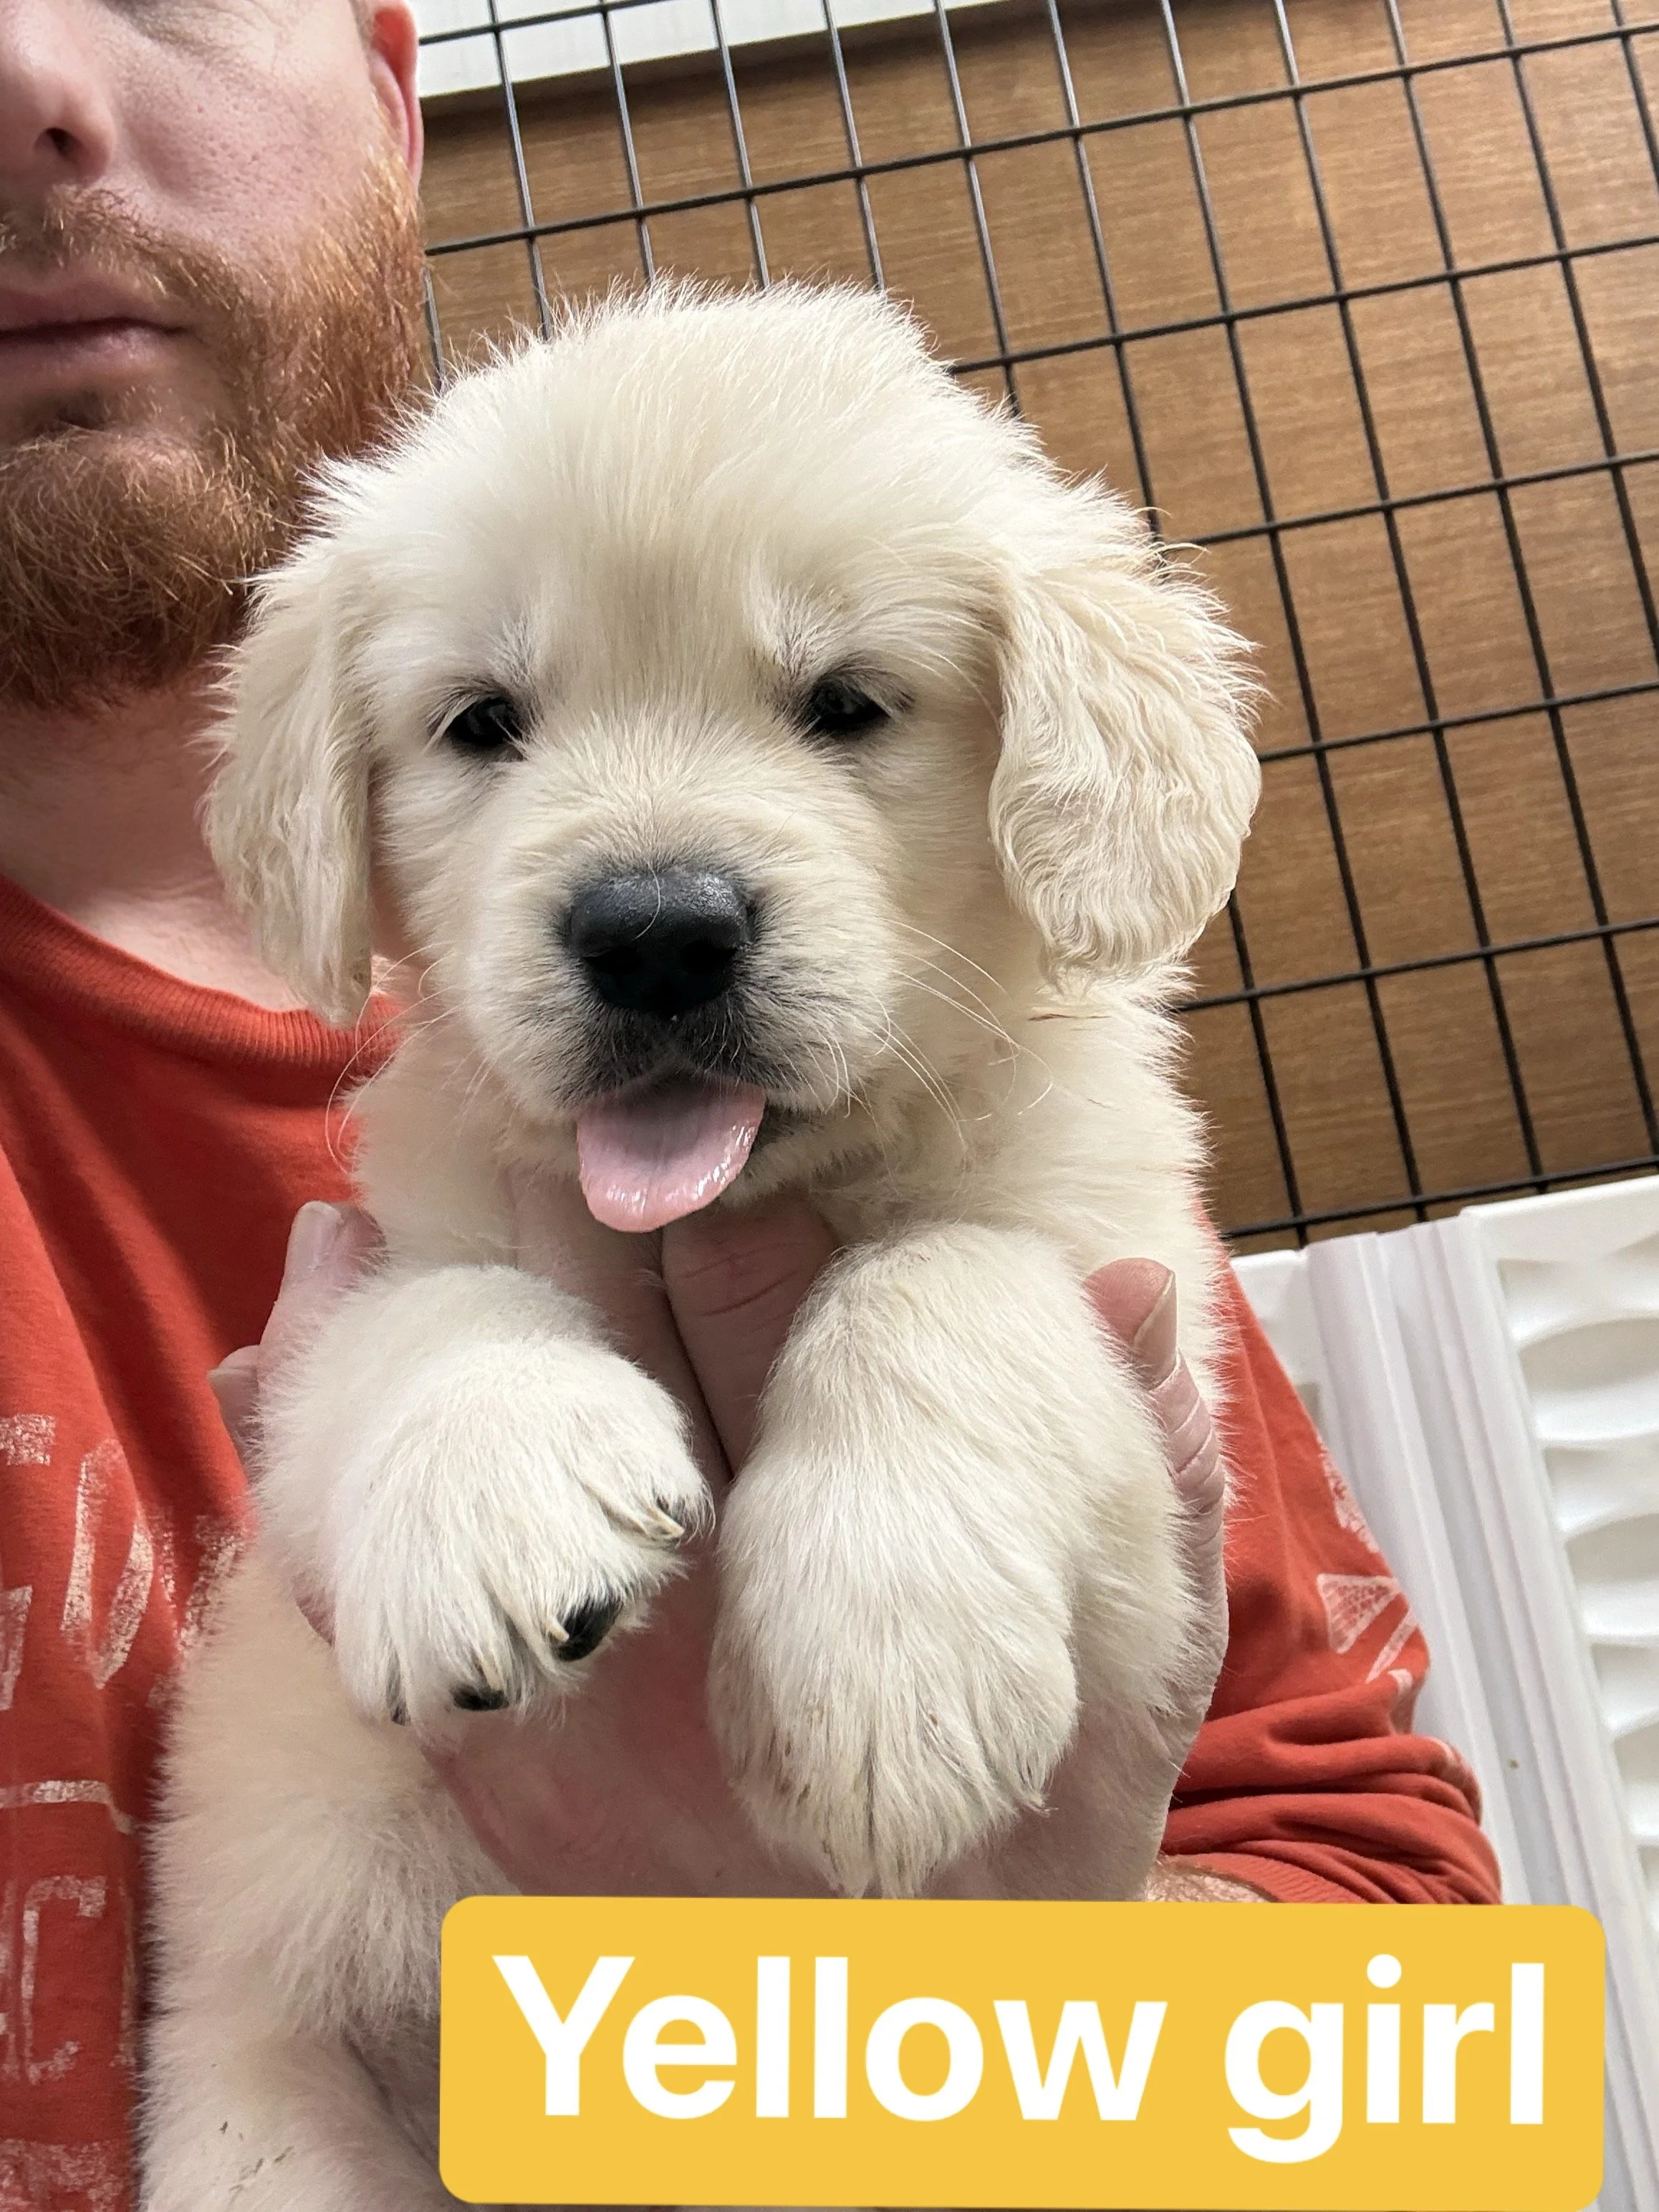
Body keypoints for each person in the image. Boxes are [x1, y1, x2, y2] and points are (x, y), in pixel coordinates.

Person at [0, 0, 1499, 2201]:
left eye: (842, 702)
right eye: (489, 724)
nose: (27, 72)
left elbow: (1440, 2099)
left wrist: (868, 2043)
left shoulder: (989, 1118)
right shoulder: (451, 1158)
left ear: (390, 83)